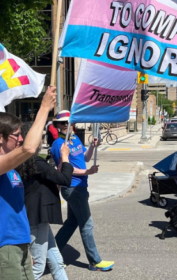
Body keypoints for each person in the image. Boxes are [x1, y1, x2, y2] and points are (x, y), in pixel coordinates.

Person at [0, 88, 55, 279]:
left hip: (17, 243)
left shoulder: (11, 170)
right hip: (1, 245)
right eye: (16, 135)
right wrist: (44, 108)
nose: (21, 139)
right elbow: (29, 148)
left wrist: (24, 247)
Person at [50, 111, 113, 272]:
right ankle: (95, 261)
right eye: (62, 123)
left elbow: (85, 158)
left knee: (72, 222)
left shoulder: (75, 139)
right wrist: (87, 172)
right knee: (86, 224)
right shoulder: (59, 145)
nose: (66, 125)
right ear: (57, 126)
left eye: (69, 122)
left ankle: (52, 255)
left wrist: (92, 145)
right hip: (72, 188)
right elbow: (65, 169)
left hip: (80, 187)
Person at [18, 131, 73, 280]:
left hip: (37, 215)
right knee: (37, 267)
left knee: (56, 260)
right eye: (40, 138)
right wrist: (66, 157)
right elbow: (65, 179)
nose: (42, 141)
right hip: (37, 217)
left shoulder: (25, 160)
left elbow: (53, 178)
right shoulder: (36, 162)